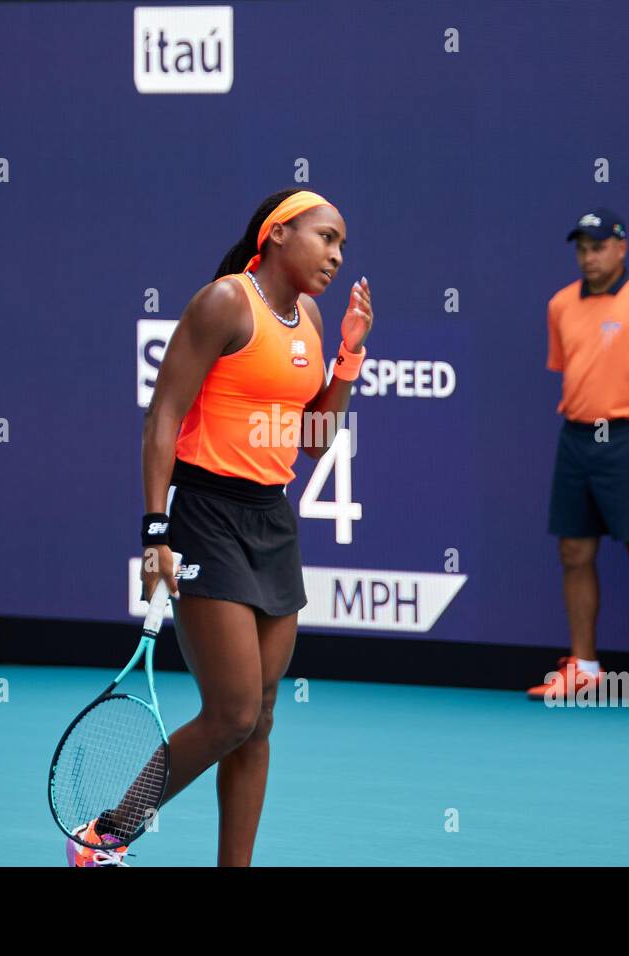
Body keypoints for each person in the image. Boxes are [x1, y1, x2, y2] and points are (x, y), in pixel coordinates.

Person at [71, 189, 373, 866]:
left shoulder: (314, 318)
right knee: (232, 713)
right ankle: (106, 836)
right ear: (277, 234)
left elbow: (317, 443)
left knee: (260, 721)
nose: (336, 255)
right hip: (206, 514)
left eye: (343, 245)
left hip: (273, 518)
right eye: (325, 237)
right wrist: (156, 532)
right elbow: (163, 419)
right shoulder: (224, 304)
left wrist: (348, 357)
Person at [529, 208, 629, 709]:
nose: (588, 257)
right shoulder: (560, 305)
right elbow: (569, 369)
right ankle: (585, 668)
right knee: (574, 553)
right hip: (576, 439)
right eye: (581, 248)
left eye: (597, 246)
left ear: (621, 248)